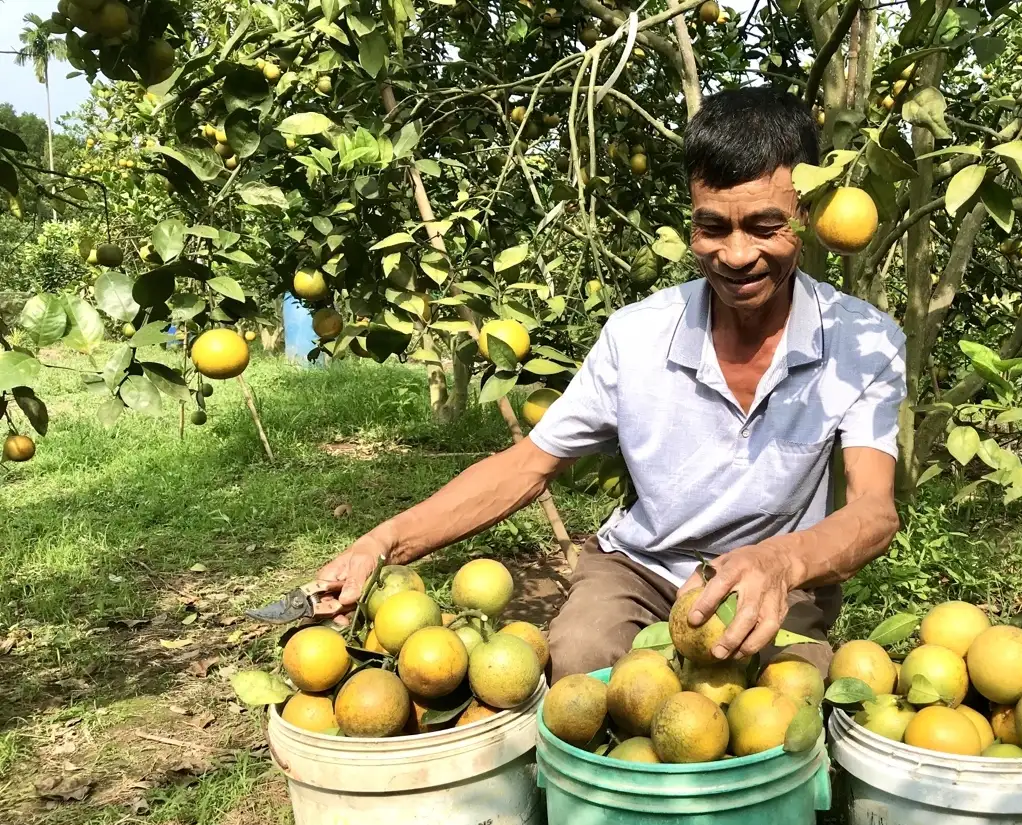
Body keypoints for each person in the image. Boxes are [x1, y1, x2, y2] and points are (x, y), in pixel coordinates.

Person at [314, 87, 906, 681]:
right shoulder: (637, 337)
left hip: (780, 578)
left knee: (786, 707)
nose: (736, 254)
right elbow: (528, 466)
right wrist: (383, 543)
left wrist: (781, 561)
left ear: (805, 213)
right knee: (582, 661)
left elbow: (873, 510)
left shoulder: (863, 343)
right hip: (644, 569)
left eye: (764, 225)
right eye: (712, 228)